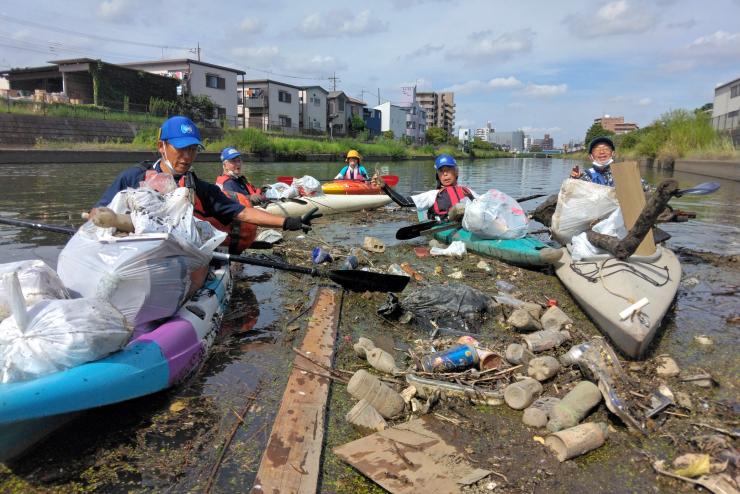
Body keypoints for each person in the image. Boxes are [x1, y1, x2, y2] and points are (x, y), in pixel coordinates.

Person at [92, 116, 318, 237]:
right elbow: (98, 213)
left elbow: (242, 212)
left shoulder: (198, 188)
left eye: (192, 149)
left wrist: (288, 222)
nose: (187, 156)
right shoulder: (132, 177)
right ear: (161, 146)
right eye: (180, 148)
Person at [375, 154, 475, 221]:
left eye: (448, 170)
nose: (445, 174)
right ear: (438, 175)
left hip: (466, 225)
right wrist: (385, 187)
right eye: (441, 171)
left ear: (456, 172)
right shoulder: (433, 195)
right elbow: (404, 202)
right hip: (443, 226)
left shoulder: (467, 191)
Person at [570, 136, 649, 191]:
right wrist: (575, 180)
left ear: (613, 153)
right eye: (597, 150)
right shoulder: (585, 176)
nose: (602, 152)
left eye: (606, 149)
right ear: (591, 156)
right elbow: (572, 194)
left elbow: (647, 188)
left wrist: (633, 178)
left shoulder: (624, 172)